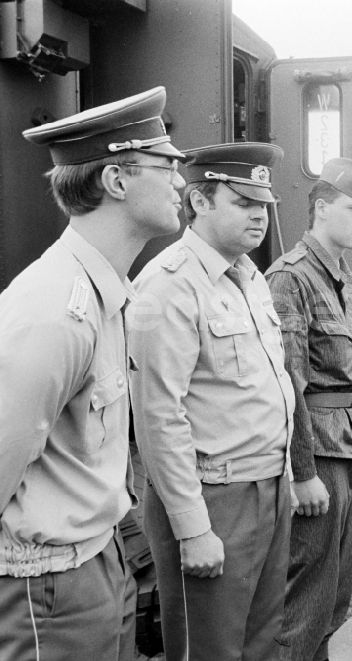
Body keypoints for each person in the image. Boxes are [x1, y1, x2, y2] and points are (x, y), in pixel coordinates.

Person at [0, 87, 185, 661]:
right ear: (117, 180)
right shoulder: (55, 309)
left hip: (96, 558)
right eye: (167, 164)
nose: (181, 182)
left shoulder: (104, 293)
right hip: (48, 583)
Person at [129, 142, 295, 661]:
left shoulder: (250, 278)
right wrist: (192, 526)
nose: (259, 215)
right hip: (214, 496)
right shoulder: (168, 285)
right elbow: (158, 418)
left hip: (268, 483)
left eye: (262, 204)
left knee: (262, 640)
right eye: (243, 201)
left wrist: (285, 476)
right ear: (199, 202)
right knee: (210, 648)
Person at [264, 158, 352, 661]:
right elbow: (289, 385)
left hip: (348, 443)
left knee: (336, 590)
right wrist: (301, 472)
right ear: (320, 208)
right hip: (317, 452)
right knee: (307, 594)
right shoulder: (290, 279)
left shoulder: (346, 279)